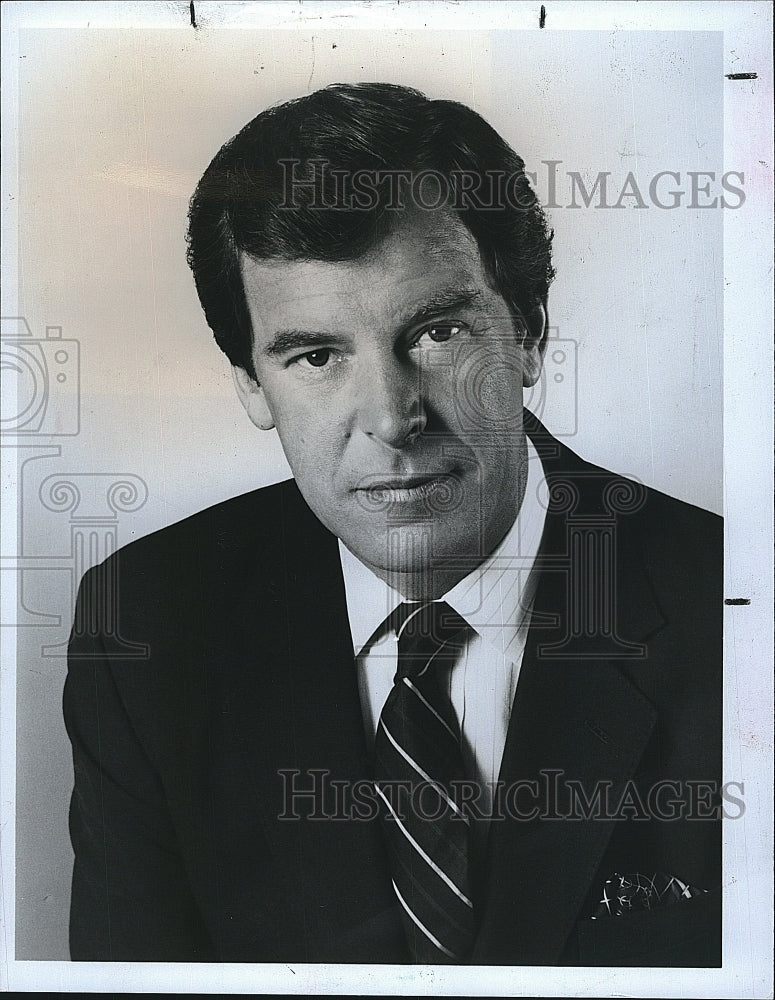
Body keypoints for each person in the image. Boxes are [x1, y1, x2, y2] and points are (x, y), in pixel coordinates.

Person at [64, 83, 722, 966]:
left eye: (438, 332)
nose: (391, 416)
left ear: (527, 333)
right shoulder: (145, 623)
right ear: (252, 386)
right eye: (315, 355)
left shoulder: (733, 606)